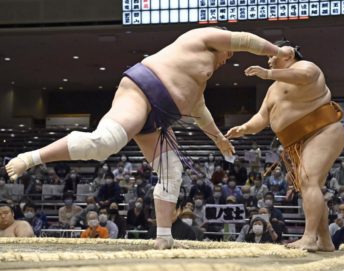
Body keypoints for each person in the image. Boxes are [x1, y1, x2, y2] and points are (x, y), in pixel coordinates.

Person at [6, 27, 290, 249]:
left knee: (171, 170)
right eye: (228, 52)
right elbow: (244, 40)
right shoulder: (200, 37)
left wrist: (219, 140)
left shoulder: (197, 83)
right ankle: (29, 158)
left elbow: (202, 114)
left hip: (156, 123)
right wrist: (279, 51)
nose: (229, 56)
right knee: (104, 143)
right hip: (141, 92)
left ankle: (164, 235)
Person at [226, 39, 344, 251]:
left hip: (323, 131)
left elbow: (304, 77)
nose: (269, 61)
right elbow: (262, 117)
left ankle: (309, 237)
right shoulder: (272, 89)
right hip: (298, 142)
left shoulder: (307, 67)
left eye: (272, 56)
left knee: (309, 181)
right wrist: (243, 128)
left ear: (288, 55)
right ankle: (325, 240)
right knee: (312, 186)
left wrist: (268, 73)